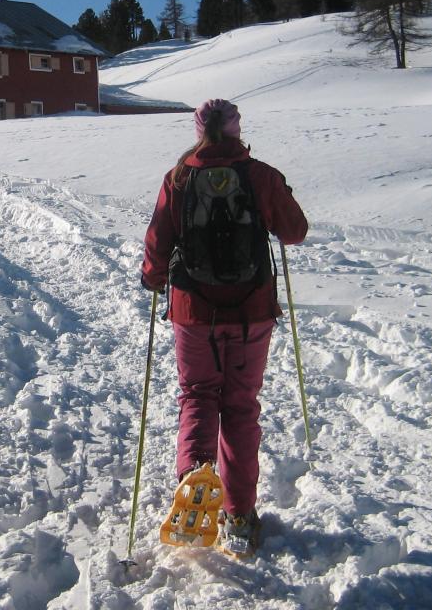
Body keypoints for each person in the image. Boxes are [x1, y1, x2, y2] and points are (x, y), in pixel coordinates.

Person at [140, 98, 307, 556]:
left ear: (198, 131)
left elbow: (158, 241)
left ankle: (196, 475)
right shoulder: (261, 175)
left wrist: (153, 278)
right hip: (252, 310)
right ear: (236, 128)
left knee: (198, 394)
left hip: (193, 310)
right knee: (240, 406)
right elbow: (295, 231)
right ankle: (239, 514)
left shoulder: (179, 177)